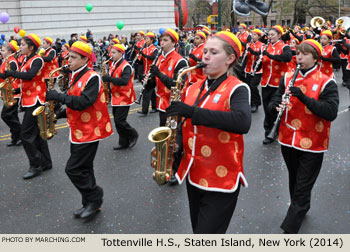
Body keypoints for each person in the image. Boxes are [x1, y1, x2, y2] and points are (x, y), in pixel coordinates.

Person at [166, 31, 251, 233]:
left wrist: (193, 112)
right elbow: (185, 122)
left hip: (222, 175)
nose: (205, 56)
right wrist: (175, 142)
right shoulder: (193, 87)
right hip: (193, 172)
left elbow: (242, 123)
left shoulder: (238, 89)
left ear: (230, 59)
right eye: (205, 51)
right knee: (198, 231)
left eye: (213, 52)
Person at [268, 39, 339, 234]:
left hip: (313, 142)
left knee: (303, 183)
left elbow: (330, 112)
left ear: (315, 58)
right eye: (297, 53)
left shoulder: (326, 81)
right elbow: (274, 100)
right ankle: (301, 206)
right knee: (295, 178)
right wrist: (275, 107)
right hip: (287, 138)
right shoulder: (288, 77)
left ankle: (290, 229)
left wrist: (303, 97)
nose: (299, 57)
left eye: (304, 54)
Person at [46, 41, 113, 220]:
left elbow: (84, 102)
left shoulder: (92, 77)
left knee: (73, 169)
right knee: (85, 168)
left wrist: (58, 96)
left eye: (74, 57)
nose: (69, 60)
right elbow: (74, 100)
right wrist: (58, 114)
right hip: (78, 129)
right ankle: (89, 203)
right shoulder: (75, 74)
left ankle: (95, 196)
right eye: (69, 56)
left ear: (85, 59)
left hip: (90, 131)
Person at [5, 34, 52, 179]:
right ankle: (45, 162)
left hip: (36, 100)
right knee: (37, 133)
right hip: (29, 99)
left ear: (31, 47)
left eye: (23, 45)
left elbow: (30, 76)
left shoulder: (37, 59)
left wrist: (11, 73)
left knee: (25, 134)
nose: (20, 47)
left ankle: (35, 165)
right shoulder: (27, 59)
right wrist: (15, 91)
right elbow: (28, 82)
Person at [101, 44, 138, 150]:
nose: (111, 55)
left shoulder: (126, 66)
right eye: (111, 52)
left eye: (113, 53)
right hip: (115, 96)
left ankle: (133, 134)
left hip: (124, 96)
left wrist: (109, 79)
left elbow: (124, 81)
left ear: (121, 53)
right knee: (117, 122)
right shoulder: (113, 64)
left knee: (120, 120)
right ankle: (123, 142)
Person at [260, 25, 292, 144]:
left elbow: (287, 58)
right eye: (269, 35)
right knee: (267, 109)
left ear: (279, 35)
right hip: (266, 82)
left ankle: (276, 131)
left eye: (272, 35)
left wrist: (269, 55)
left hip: (279, 83)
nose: (270, 37)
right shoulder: (265, 47)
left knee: (274, 108)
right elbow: (262, 64)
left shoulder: (285, 47)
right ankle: (269, 131)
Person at [149, 28, 188, 127]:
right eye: (161, 40)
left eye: (165, 40)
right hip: (162, 101)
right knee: (163, 128)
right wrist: (149, 81)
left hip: (173, 103)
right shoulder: (159, 57)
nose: (162, 43)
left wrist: (158, 73)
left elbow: (175, 85)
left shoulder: (180, 61)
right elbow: (156, 82)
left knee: (173, 133)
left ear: (173, 43)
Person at [0, 40, 22, 146]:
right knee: (13, 115)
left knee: (6, 115)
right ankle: (16, 138)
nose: (1, 51)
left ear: (10, 52)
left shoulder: (12, 61)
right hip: (7, 92)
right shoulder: (6, 60)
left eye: (3, 50)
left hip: (13, 92)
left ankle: (21, 133)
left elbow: (7, 76)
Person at [137, 32, 158, 116]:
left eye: (147, 39)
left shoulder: (155, 49)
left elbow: (153, 58)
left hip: (151, 73)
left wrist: (144, 55)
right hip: (145, 72)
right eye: (145, 39)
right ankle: (154, 107)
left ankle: (144, 110)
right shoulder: (144, 49)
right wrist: (139, 57)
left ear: (152, 40)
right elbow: (141, 62)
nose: (145, 40)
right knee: (151, 91)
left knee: (146, 91)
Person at [243, 28, 263, 112]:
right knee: (248, 86)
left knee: (253, 86)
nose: (253, 36)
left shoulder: (262, 45)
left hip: (258, 70)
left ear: (258, 37)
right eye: (252, 34)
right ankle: (250, 102)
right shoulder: (248, 44)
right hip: (248, 69)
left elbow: (260, 55)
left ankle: (256, 103)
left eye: (255, 35)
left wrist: (251, 51)